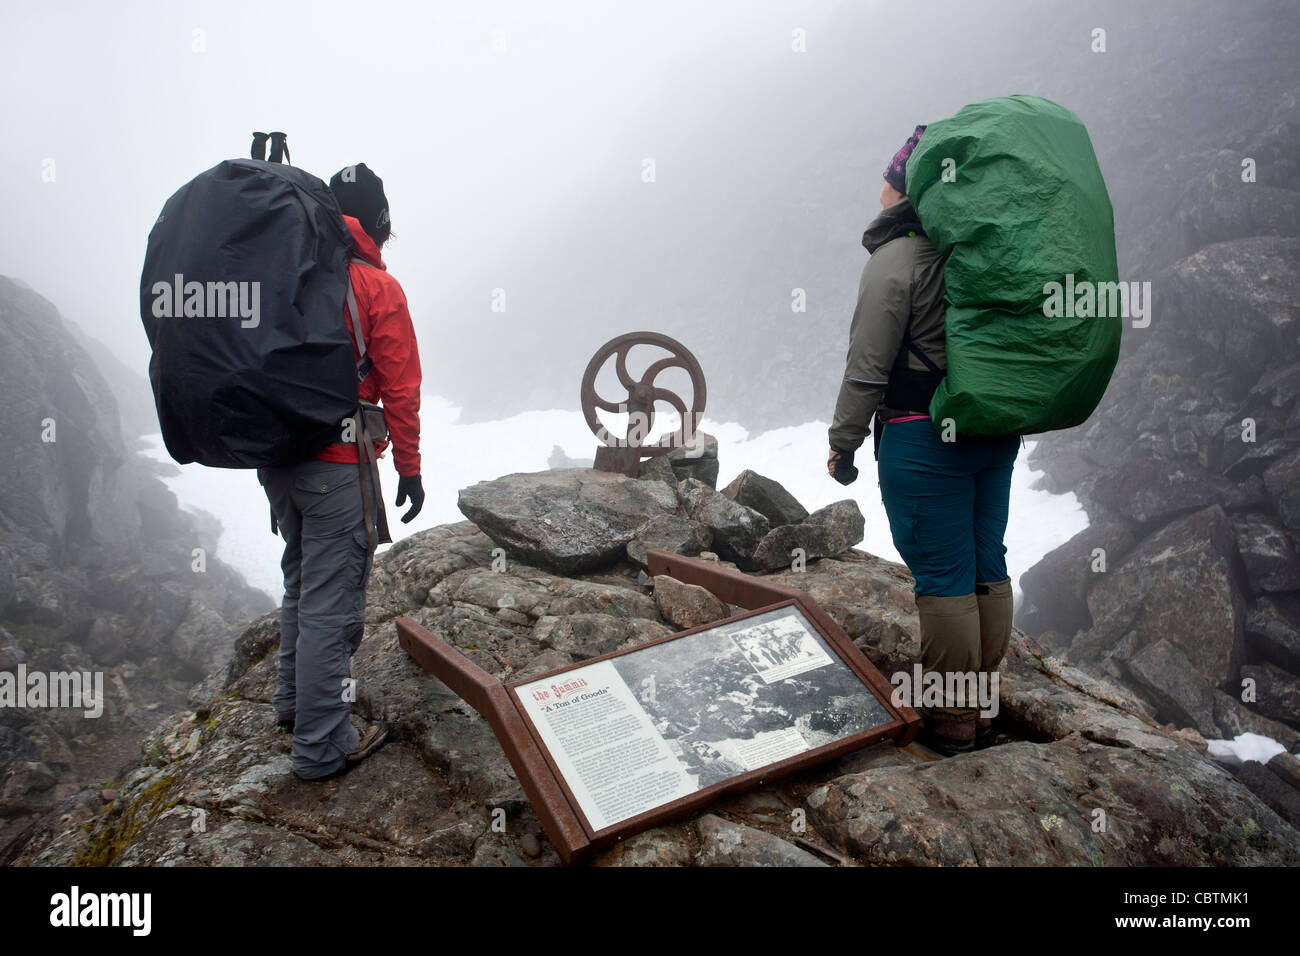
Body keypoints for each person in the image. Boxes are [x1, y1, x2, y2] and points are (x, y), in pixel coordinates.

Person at [827, 127, 1018, 756]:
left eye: (888, 177)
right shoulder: (974, 251)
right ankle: (982, 708)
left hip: (923, 436)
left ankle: (953, 721)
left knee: (943, 577)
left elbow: (867, 366)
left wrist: (844, 441)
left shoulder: (898, 260)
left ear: (905, 190)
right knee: (986, 564)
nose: (878, 187)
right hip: (991, 431)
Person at [257, 162, 425, 780]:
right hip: (335, 467)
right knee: (333, 604)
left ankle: (292, 704)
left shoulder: (287, 273)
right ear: (377, 224)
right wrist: (408, 468)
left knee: (300, 582)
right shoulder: (376, 287)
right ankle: (322, 746)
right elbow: (400, 389)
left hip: (278, 461)